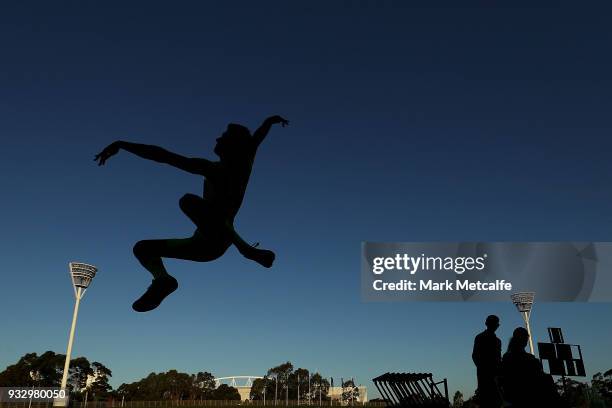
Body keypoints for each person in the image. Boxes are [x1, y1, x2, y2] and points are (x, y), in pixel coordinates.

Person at [94, 115, 289, 312]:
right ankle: (163, 280)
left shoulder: (236, 165)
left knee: (188, 201)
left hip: (221, 238)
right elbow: (164, 156)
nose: (217, 139)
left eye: (223, 136)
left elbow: (165, 156)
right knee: (142, 248)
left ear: (234, 144)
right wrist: (269, 122)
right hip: (201, 245)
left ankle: (246, 250)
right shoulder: (220, 166)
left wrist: (121, 144)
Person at [501, 327, 561, 408]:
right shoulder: (530, 359)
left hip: (513, 394)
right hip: (527, 395)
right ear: (525, 340)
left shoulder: (507, 357)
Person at [472, 315, 502, 408]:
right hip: (486, 376)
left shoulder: (481, 338)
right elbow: (475, 356)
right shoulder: (495, 341)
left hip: (489, 376)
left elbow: (475, 356)